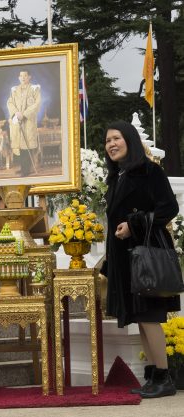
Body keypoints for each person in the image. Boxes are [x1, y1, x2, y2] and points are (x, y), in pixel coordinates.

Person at [102, 120, 180, 398]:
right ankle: (154, 375)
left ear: (130, 140)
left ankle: (164, 378)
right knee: (141, 317)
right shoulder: (117, 176)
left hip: (146, 255)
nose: (111, 144)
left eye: (116, 138)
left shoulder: (149, 171)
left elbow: (169, 208)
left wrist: (133, 224)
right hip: (127, 260)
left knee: (150, 317)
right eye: (108, 140)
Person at [7, 70, 41, 176]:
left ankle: (27, 170)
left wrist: (24, 114)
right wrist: (16, 113)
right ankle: (23, 168)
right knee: (20, 146)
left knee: (27, 145)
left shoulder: (34, 89)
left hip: (28, 121)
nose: (23, 77)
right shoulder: (14, 90)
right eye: (21, 75)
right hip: (18, 121)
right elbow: (10, 102)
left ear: (29, 77)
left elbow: (37, 104)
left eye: (25, 75)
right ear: (18, 77)